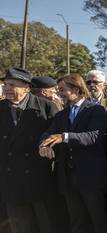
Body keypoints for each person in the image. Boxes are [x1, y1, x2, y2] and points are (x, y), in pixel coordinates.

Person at [39, 73, 107, 233]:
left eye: (62, 90)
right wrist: (44, 145)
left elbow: (93, 136)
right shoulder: (61, 115)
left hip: (91, 177)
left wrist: (64, 137)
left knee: (98, 220)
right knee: (76, 221)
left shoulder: (96, 110)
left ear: (77, 89)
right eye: (58, 90)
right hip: (68, 178)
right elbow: (48, 133)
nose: (59, 94)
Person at [0, 67, 67, 233]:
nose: (7, 88)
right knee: (19, 227)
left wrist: (48, 147)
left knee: (46, 225)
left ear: (26, 87)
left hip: (39, 180)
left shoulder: (47, 107)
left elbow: (57, 139)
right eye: (5, 84)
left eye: (12, 85)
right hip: (11, 181)